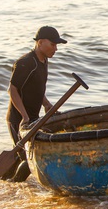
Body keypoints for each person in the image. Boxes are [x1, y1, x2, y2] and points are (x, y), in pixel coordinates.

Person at [4, 26, 67, 182]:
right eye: (53, 44)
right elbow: (12, 90)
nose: (56, 49)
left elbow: (36, 88)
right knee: (27, 159)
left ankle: (5, 182)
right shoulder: (25, 63)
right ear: (40, 43)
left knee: (22, 155)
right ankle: (14, 186)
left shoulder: (43, 61)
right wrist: (24, 116)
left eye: (56, 45)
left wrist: (46, 104)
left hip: (33, 117)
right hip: (18, 118)